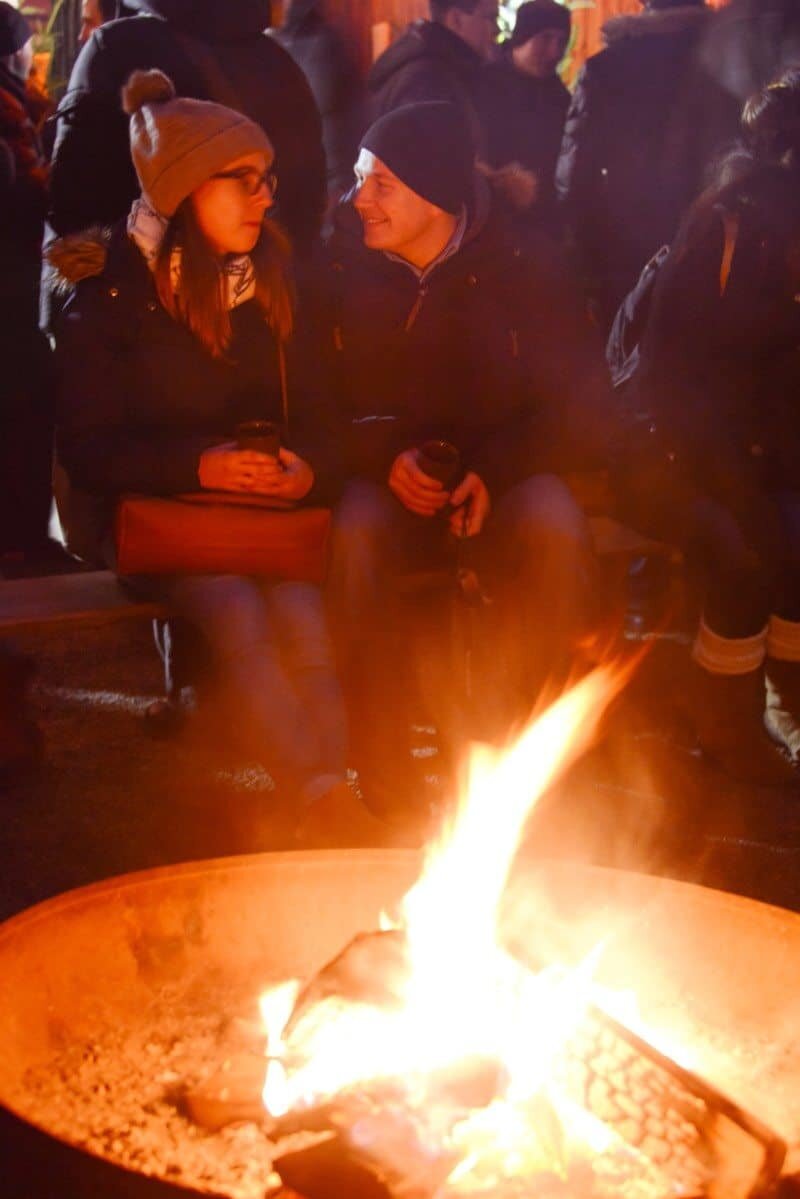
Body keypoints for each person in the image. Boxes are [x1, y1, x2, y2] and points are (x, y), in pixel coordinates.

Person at [51, 69, 379, 843]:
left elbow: (329, 421)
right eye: (245, 182)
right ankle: (325, 807)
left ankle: (330, 788)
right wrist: (199, 466)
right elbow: (90, 452)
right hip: (156, 516)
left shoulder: (275, 282)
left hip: (258, 513)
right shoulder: (110, 294)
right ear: (186, 188)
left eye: (268, 180)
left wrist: (308, 468)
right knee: (234, 601)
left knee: (299, 607)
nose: (267, 198)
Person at [318, 101, 609, 823]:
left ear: (437, 194)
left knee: (552, 521)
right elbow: (307, 404)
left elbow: (581, 403)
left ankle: (524, 755)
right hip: (381, 478)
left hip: (497, 472)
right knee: (354, 533)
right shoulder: (335, 267)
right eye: (360, 177)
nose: (360, 199)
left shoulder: (524, 268)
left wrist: (497, 470)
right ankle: (380, 759)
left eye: (382, 183)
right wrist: (381, 458)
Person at [612, 70, 800, 786]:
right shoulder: (719, 236)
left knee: (791, 533)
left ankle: (787, 710)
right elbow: (667, 387)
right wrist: (741, 478)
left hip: (756, 456)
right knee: (740, 548)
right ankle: (723, 726)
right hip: (666, 455)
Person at [47, 0, 325, 259]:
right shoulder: (280, 64)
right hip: (262, 298)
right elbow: (307, 208)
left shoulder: (116, 50)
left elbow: (75, 220)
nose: (81, 35)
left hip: (144, 301)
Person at [555, 0, 740, 333]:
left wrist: (582, 255)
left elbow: (576, 173)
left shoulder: (608, 67)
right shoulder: (729, 63)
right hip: (715, 239)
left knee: (624, 353)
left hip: (622, 244)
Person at [0, 2, 56, 565]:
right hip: (10, 300)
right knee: (24, 406)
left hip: (15, 295)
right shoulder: (9, 106)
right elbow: (25, 197)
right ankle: (22, 546)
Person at [479, 0, 571, 231]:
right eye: (545, 38)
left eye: (561, 41)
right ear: (523, 37)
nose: (554, 52)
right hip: (491, 223)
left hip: (546, 227)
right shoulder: (482, 85)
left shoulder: (561, 98)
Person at [366, 0, 497, 153]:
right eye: (491, 18)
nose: (498, 29)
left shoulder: (447, 67)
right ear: (456, 20)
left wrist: (490, 175)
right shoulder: (425, 80)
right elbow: (426, 166)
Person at [272, 0, 363, 198]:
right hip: (287, 184)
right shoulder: (272, 43)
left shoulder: (320, 46)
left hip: (320, 185)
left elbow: (333, 123)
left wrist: (336, 186)